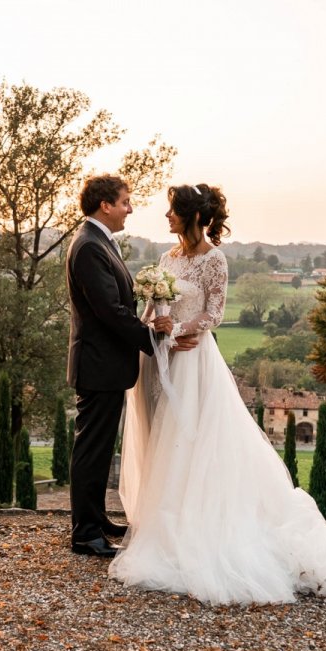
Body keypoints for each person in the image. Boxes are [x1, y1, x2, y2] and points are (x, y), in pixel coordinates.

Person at [109, 183, 326, 606]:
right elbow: (150, 312)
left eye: (173, 211)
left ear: (194, 216)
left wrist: (180, 330)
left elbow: (215, 313)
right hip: (159, 360)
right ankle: (163, 524)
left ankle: (197, 531)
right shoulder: (166, 259)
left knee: (192, 442)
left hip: (193, 362)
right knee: (162, 441)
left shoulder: (214, 260)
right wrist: (152, 328)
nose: (166, 217)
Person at [66, 174, 197, 557]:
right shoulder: (89, 246)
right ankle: (85, 534)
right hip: (98, 364)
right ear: (105, 205)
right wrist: (153, 339)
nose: (130, 208)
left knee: (99, 447)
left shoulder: (98, 242)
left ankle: (96, 520)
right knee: (91, 449)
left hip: (105, 364)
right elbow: (110, 311)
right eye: (125, 201)